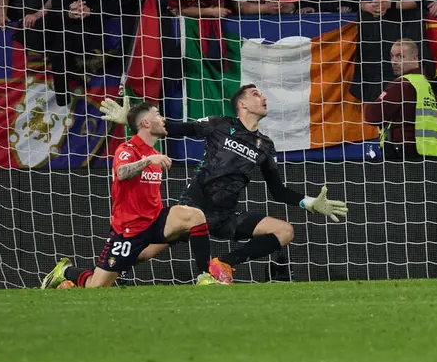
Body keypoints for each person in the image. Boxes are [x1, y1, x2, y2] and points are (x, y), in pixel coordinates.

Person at [95, 86, 349, 285]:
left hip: (226, 216)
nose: (262, 97)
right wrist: (129, 121)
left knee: (284, 231)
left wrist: (309, 203)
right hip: (193, 210)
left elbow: (278, 190)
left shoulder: (265, 146)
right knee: (138, 253)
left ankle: (223, 264)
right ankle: (82, 278)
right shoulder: (220, 125)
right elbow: (174, 128)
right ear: (242, 104)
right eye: (255, 93)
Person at [40, 100, 218, 289]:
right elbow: (122, 173)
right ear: (146, 123)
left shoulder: (153, 151)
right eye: (157, 114)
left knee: (194, 216)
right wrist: (149, 160)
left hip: (155, 221)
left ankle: (205, 277)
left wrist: (150, 156)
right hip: (128, 231)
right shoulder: (127, 149)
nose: (163, 118)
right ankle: (65, 271)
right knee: (96, 287)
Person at [365, 38, 437, 161]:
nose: (394, 61)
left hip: (404, 155)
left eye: (400, 56)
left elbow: (372, 115)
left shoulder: (402, 84)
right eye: (392, 56)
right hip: (429, 151)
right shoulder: (424, 82)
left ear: (415, 58)